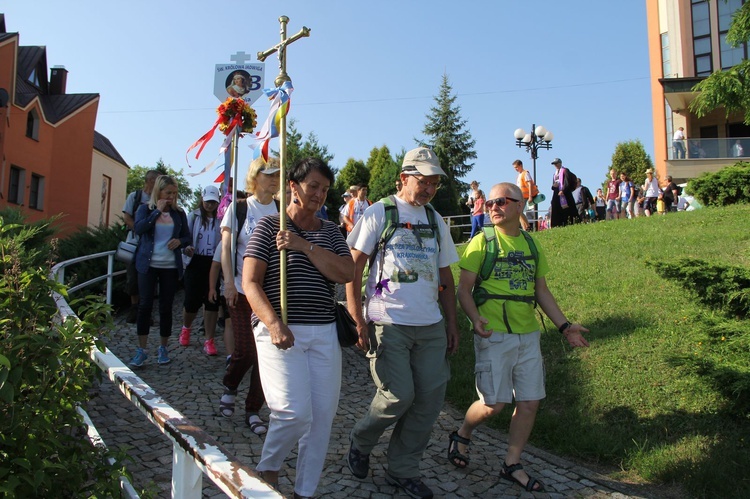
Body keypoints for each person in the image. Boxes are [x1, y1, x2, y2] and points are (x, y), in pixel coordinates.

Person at [449, 182, 589, 492]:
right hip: (493, 334)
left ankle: (512, 463)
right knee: (493, 405)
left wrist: (566, 327)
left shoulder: (531, 244)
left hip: (528, 335)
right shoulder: (482, 242)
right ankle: (462, 433)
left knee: (529, 402)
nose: (494, 207)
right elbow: (463, 290)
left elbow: (541, 291)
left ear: (519, 205)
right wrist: (475, 319)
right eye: (491, 203)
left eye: (501, 201)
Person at [345, 147, 459, 499]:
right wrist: (358, 318)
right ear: (403, 178)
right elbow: (352, 268)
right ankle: (362, 440)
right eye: (422, 181)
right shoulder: (380, 212)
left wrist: (452, 324)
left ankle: (402, 470)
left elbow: (446, 277)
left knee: (428, 401)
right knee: (398, 395)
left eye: (434, 184)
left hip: (430, 326)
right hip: (386, 320)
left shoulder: (436, 220)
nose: (427, 189)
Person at [243, 158, 353, 498]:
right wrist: (273, 323)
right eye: (313, 186)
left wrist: (303, 245)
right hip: (281, 330)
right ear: (293, 187)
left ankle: (304, 492)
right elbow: (250, 282)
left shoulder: (331, 231)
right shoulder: (267, 227)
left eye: (325, 189)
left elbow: (346, 273)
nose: (319, 194)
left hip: (323, 332)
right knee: (293, 412)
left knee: (321, 420)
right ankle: (268, 469)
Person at [218, 157, 280, 434]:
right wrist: (228, 283)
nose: (275, 178)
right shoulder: (239, 207)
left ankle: (254, 409)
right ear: (256, 177)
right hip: (243, 290)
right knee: (245, 350)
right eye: (270, 174)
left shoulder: (282, 210)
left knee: (267, 355)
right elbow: (226, 248)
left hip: (272, 295)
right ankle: (231, 384)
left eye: (278, 174)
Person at [129, 175, 190, 367]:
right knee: (145, 305)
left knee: (166, 307)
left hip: (170, 267)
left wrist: (180, 242)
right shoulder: (144, 209)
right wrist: (157, 212)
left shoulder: (179, 213)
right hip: (147, 265)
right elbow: (139, 229)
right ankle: (142, 349)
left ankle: (163, 348)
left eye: (174, 193)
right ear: (159, 191)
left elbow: (187, 237)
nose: (171, 197)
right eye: (168, 193)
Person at [180, 185, 222, 354]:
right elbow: (185, 236)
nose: (210, 205)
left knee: (212, 301)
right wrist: (187, 247)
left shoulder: (221, 218)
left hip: (213, 262)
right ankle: (186, 327)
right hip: (195, 261)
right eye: (207, 202)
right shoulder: (194, 216)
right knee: (191, 301)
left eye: (213, 202)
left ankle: (209, 339)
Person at [122, 170, 159, 323]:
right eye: (156, 180)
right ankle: (134, 307)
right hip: (134, 243)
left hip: (151, 245)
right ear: (149, 180)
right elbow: (126, 217)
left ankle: (145, 310)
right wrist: (139, 229)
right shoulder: (135, 197)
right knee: (132, 278)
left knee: (148, 278)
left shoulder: (158, 200)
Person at [549, 158, 579, 227]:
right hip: (557, 193)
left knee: (568, 208)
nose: (555, 165)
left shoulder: (565, 171)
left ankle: (572, 222)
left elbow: (567, 181)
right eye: (554, 164)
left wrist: (563, 190)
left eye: (556, 163)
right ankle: (557, 224)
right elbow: (553, 184)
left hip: (565, 193)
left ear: (560, 163)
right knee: (556, 207)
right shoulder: (555, 174)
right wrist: (553, 186)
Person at [513, 160, 538, 230]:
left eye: (516, 167)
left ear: (520, 165)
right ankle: (525, 228)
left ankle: (527, 226)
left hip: (525, 196)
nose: (515, 169)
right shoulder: (519, 175)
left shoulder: (525, 173)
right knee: (518, 212)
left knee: (519, 211)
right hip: (521, 196)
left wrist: (530, 196)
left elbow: (529, 184)